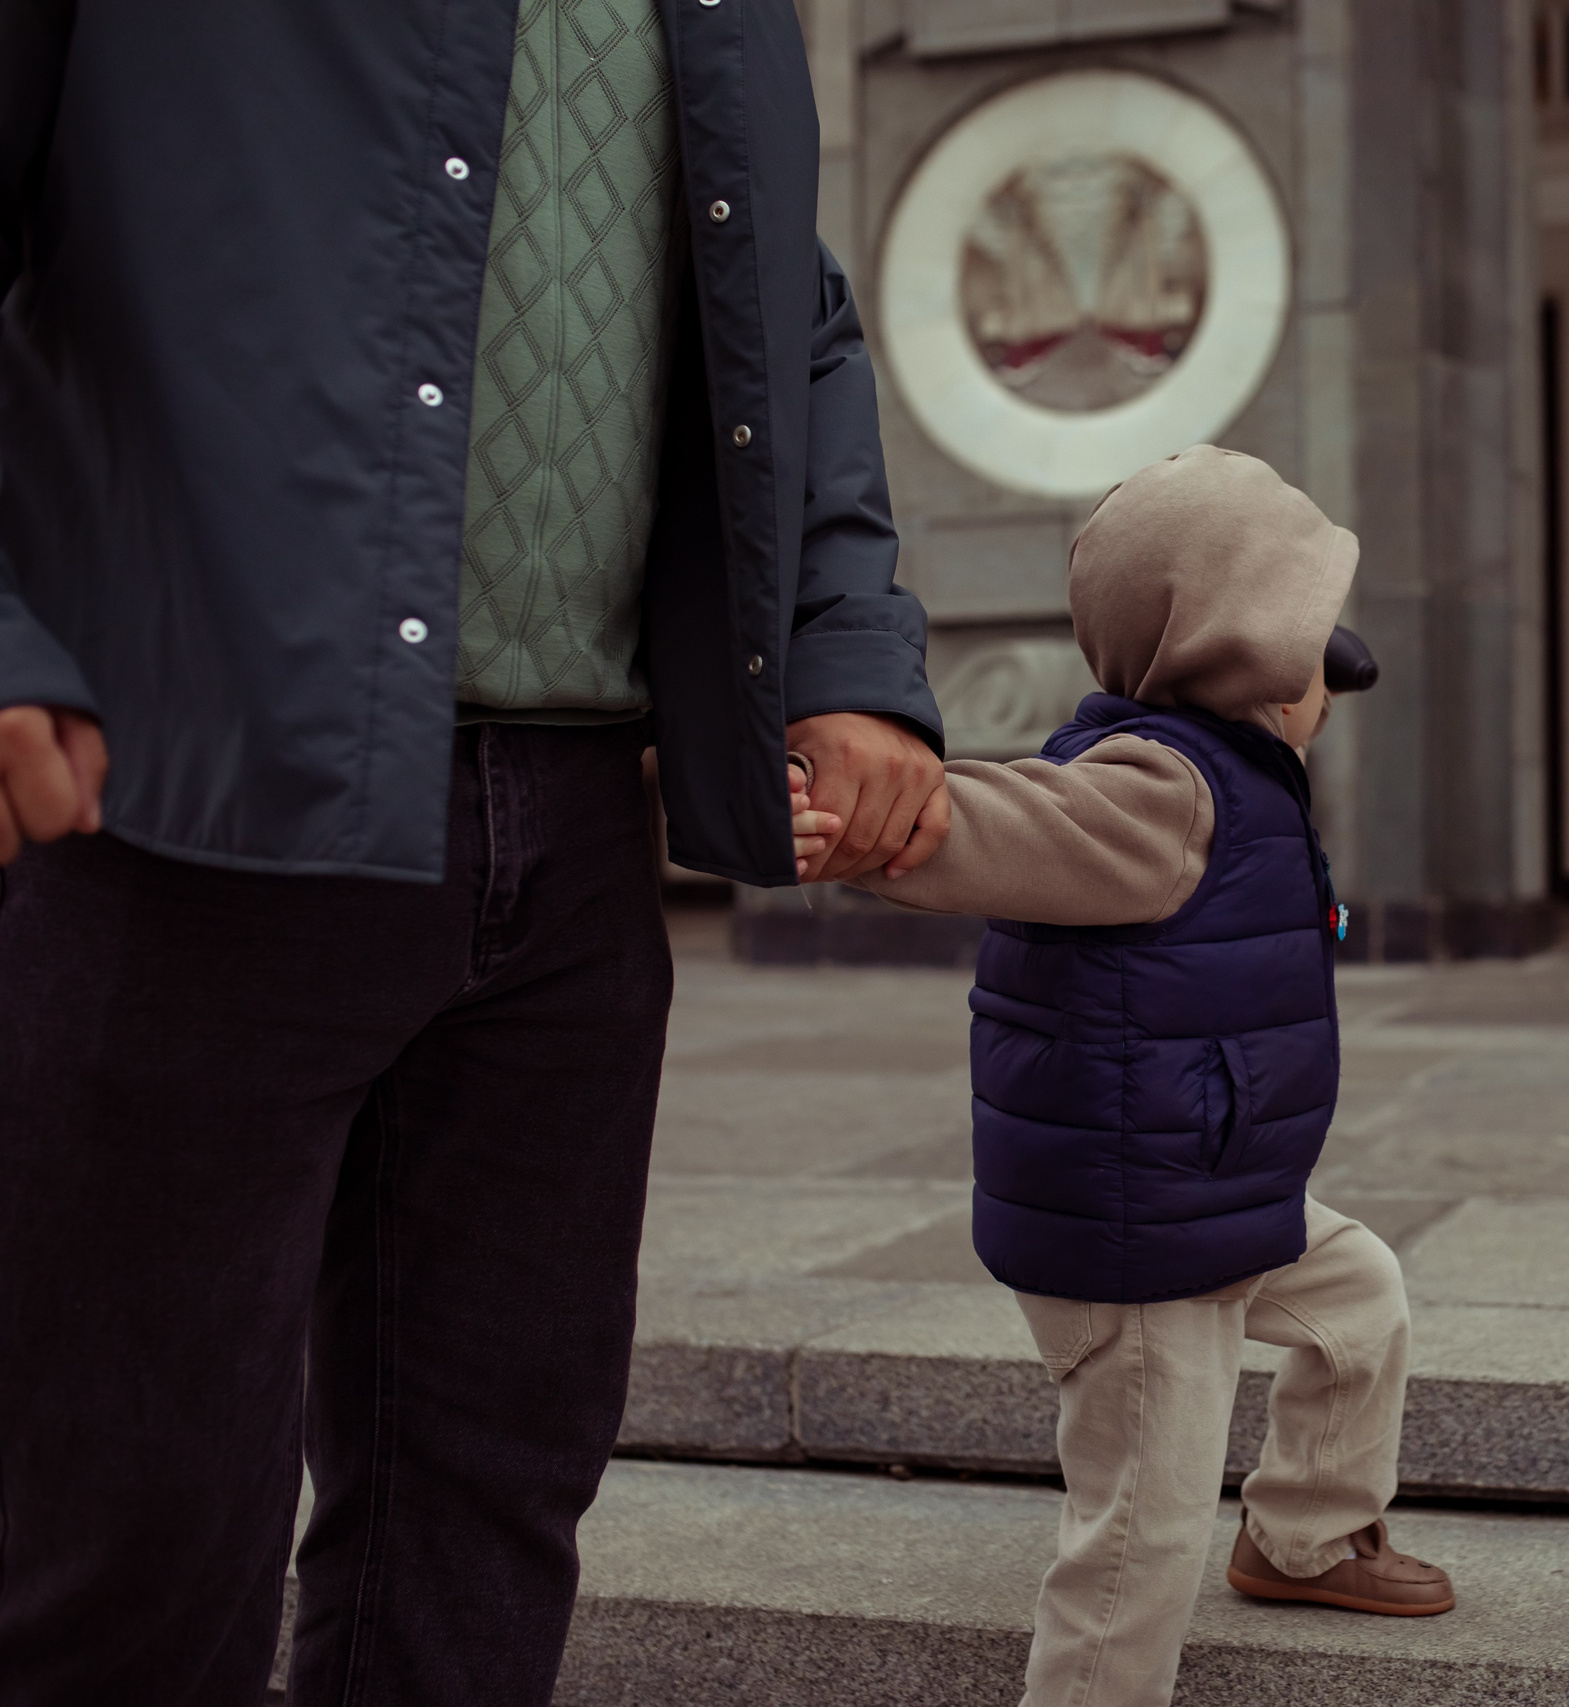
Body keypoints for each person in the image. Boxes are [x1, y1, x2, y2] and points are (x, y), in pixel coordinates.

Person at [0, 6, 943, 1703]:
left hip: (579, 847)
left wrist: (845, 651)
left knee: (488, 1508)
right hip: (182, 803)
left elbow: (785, 310)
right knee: (129, 1547)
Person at [814, 445, 1452, 1707]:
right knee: (1137, 1541)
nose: (1334, 677)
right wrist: (891, 819)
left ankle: (1303, 1537)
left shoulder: (1228, 774)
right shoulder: (1159, 788)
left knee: (1359, 1296)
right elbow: (1011, 823)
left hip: (1205, 1187)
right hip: (1139, 1234)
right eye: (1311, 642)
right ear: (1238, 646)